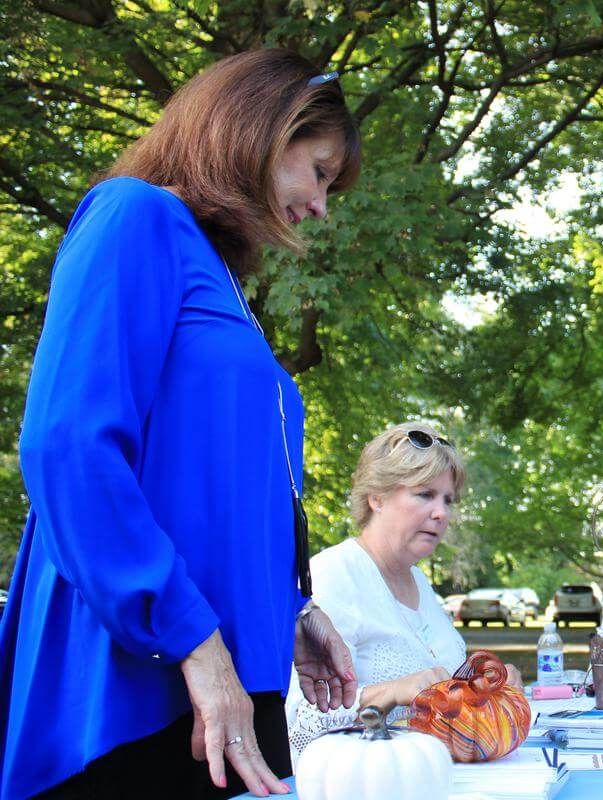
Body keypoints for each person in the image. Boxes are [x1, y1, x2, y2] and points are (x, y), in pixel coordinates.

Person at [0, 50, 363, 800]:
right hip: (139, 687)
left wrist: (291, 611)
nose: (322, 205)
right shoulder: (135, 215)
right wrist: (193, 640)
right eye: (320, 171)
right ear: (264, 129)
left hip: (229, 680)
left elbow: (219, 490)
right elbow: (69, 449)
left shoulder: (222, 280)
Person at [286, 422, 521, 759]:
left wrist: (488, 691)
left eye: (448, 500)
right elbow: (298, 725)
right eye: (425, 494)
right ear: (376, 497)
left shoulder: (420, 583)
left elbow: (446, 698)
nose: (441, 513)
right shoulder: (333, 575)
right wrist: (391, 692)